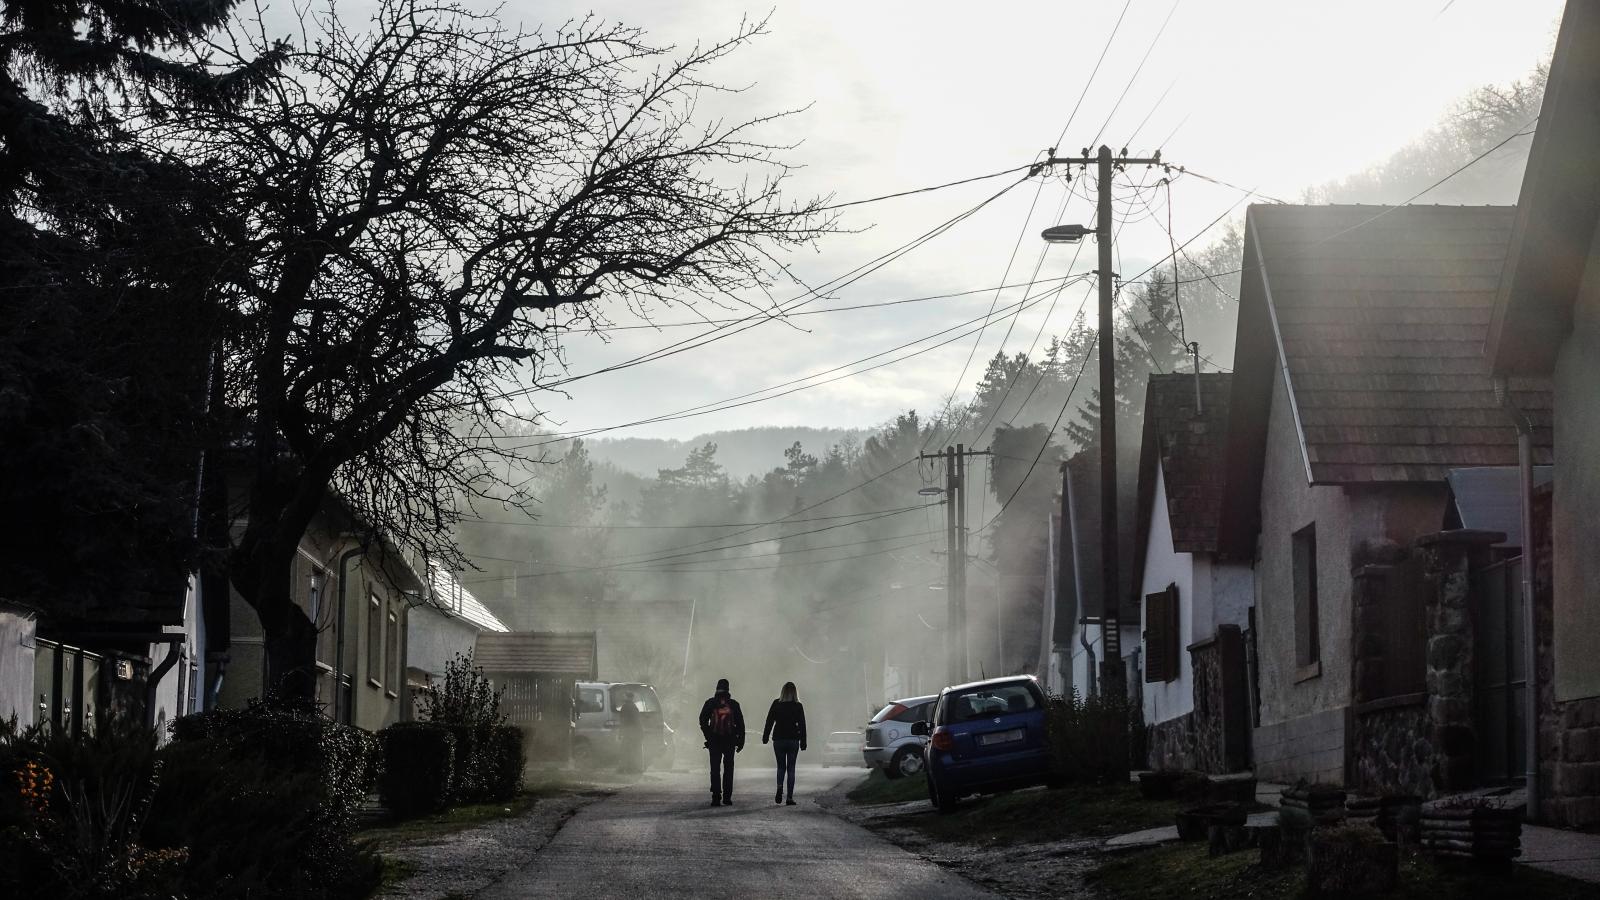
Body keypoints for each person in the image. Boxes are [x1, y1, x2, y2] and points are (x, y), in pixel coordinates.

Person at [698, 677, 744, 806]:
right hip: (730, 740)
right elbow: (741, 724)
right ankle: (727, 797)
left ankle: (716, 797)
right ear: (728, 689)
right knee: (728, 768)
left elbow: (702, 720)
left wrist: (709, 736)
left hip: (714, 740)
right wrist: (740, 741)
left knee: (715, 769)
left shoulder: (710, 703)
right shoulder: (734, 704)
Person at [761, 681, 807, 805]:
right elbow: (802, 725)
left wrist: (765, 736)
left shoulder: (776, 704)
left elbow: (769, 721)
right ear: (795, 692)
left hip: (779, 739)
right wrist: (803, 741)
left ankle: (779, 787)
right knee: (791, 768)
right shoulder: (798, 706)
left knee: (781, 767)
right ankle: (789, 798)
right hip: (793, 740)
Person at [616, 690, 643, 774]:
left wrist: (620, 733)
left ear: (628, 697)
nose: (624, 697)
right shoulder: (634, 707)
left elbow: (622, 721)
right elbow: (638, 721)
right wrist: (641, 731)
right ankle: (634, 768)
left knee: (625, 751)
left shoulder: (625, 707)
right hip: (634, 732)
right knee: (634, 750)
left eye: (625, 696)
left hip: (628, 732)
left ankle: (625, 769)